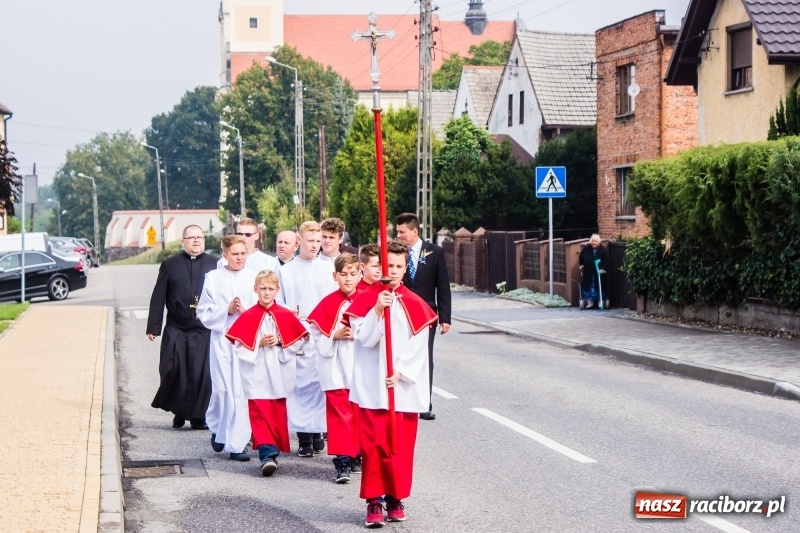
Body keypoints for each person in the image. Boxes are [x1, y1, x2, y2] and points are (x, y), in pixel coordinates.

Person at [344, 240, 437, 528]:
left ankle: (395, 497)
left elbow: (420, 341)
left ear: (404, 267)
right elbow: (365, 338)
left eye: (398, 266)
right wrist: (376, 310)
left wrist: (402, 371)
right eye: (388, 267)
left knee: (400, 446)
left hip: (402, 389)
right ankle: (374, 500)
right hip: (373, 387)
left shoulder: (414, 302)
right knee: (374, 446)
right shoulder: (365, 300)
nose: (393, 272)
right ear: (378, 268)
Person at [225, 270, 308, 477]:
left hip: (279, 371)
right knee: (259, 412)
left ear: (277, 290)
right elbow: (238, 345)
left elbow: (300, 338)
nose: (267, 292)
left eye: (271, 289)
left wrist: (280, 341)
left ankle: (273, 449)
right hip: (256, 373)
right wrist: (257, 343)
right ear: (255, 290)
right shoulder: (249, 316)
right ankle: (267, 454)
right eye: (263, 288)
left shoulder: (285, 314)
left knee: (276, 412)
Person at [146, 225, 218, 430]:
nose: (196, 241)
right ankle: (179, 411)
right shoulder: (170, 264)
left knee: (201, 374)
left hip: (203, 329)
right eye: (192, 238)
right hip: (176, 328)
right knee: (173, 370)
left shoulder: (215, 265)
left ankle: (198, 417)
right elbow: (158, 296)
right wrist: (153, 326)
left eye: (200, 237)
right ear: (183, 241)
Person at [277, 221, 337, 457]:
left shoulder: (328, 268)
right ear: (299, 241)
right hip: (299, 333)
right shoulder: (286, 270)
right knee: (301, 385)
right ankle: (303, 437)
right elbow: (279, 302)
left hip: (323, 332)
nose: (315, 246)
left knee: (322, 383)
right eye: (310, 241)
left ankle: (318, 431)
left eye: (318, 241)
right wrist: (289, 317)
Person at [197, 235, 256, 461]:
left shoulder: (253, 278)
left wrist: (245, 310)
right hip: (222, 339)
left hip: (246, 340)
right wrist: (226, 310)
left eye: (243, 253)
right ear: (225, 255)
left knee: (241, 393)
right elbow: (204, 310)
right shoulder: (213, 278)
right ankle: (219, 428)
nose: (240, 258)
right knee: (222, 390)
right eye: (235, 254)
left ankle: (237, 444)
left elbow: (264, 306)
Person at [307, 253, 362, 484]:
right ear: (335, 276)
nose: (348, 279)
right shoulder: (328, 303)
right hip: (336, 368)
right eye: (343, 275)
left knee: (359, 413)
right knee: (340, 415)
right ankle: (341, 461)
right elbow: (317, 334)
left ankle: (357, 453)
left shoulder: (371, 301)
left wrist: (358, 334)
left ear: (360, 275)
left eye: (352, 274)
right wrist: (335, 334)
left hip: (360, 368)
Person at [395, 213, 451, 421]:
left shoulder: (434, 252)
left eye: (402, 232)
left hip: (426, 313)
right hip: (400, 311)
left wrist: (445, 318)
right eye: (397, 231)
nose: (398, 235)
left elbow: (442, 285)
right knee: (401, 355)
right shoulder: (396, 253)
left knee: (424, 356)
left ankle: (424, 403)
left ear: (414, 231)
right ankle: (401, 401)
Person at [578, 234, 608, 309]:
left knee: (599, 286)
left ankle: (600, 302)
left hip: (598, 272)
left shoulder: (602, 250)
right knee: (588, 286)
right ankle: (590, 303)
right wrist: (581, 264)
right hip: (588, 271)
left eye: (596, 241)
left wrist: (602, 268)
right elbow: (581, 257)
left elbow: (605, 261)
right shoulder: (586, 248)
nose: (594, 243)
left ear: (599, 242)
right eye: (593, 241)